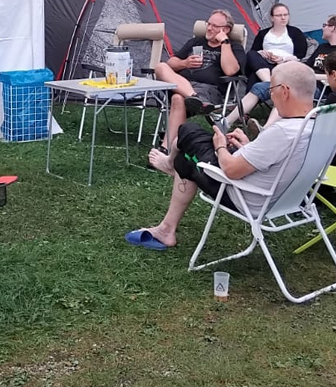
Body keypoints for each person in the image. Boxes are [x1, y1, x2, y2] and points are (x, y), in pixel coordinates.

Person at [126, 62, 319, 250]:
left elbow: (232, 170)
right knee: (186, 157)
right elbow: (282, 157)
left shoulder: (282, 131)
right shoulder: (319, 125)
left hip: (247, 197)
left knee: (189, 132)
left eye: (272, 89)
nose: (271, 95)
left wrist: (220, 147)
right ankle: (166, 227)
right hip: (288, 198)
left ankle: (167, 215)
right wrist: (249, 146)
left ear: (284, 91)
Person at [226, 15, 336, 130]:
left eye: (325, 25)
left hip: (320, 88)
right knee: (259, 87)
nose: (323, 28)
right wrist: (287, 62)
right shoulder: (322, 47)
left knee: (285, 90)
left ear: (333, 28)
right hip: (302, 80)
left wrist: (312, 76)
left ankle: (266, 129)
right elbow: (307, 66)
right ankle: (226, 122)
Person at [152, 9, 244, 150]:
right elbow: (171, 63)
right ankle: (195, 98)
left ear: (225, 29)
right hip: (186, 86)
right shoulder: (195, 42)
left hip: (210, 90)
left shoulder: (233, 47)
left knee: (178, 98)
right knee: (160, 66)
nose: (208, 27)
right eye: (208, 23)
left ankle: (166, 148)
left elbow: (231, 70)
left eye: (214, 26)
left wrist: (225, 43)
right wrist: (185, 63)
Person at [246, 2, 307, 83]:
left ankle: (268, 84)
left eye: (285, 15)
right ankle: (268, 82)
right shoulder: (263, 34)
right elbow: (254, 51)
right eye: (279, 15)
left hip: (286, 64)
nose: (283, 18)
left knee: (255, 77)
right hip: (265, 64)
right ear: (272, 18)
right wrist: (262, 53)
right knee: (251, 55)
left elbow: (301, 55)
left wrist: (283, 59)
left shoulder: (295, 32)